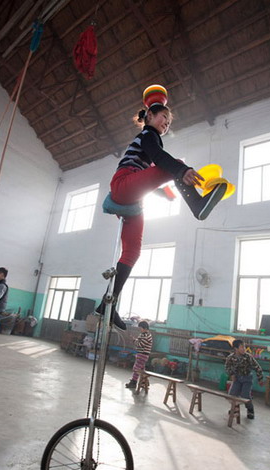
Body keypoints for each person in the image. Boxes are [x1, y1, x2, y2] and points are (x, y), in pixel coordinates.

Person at [97, 86, 227, 330]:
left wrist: (160, 191)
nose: (166, 124)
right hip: (122, 185)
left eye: (168, 122)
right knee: (176, 163)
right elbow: (158, 157)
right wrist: (181, 171)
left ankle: (108, 304)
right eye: (163, 118)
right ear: (149, 117)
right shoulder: (148, 135)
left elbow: (145, 171)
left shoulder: (150, 139)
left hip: (132, 197)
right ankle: (198, 204)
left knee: (133, 252)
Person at [225, 339, 264, 419]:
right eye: (242, 347)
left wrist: (260, 379)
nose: (244, 349)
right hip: (237, 379)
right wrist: (231, 374)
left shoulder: (248, 357)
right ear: (236, 349)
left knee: (245, 395)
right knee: (232, 394)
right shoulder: (230, 357)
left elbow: (257, 367)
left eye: (244, 347)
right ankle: (235, 408)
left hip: (247, 379)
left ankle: (250, 409)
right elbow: (227, 367)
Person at [125, 321, 153, 389]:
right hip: (141, 354)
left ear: (145, 328)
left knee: (136, 368)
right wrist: (135, 340)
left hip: (143, 355)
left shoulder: (146, 335)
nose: (139, 329)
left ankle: (134, 382)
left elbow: (140, 345)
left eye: (140, 328)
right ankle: (144, 383)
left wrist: (134, 341)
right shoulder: (143, 334)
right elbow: (139, 342)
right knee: (142, 370)